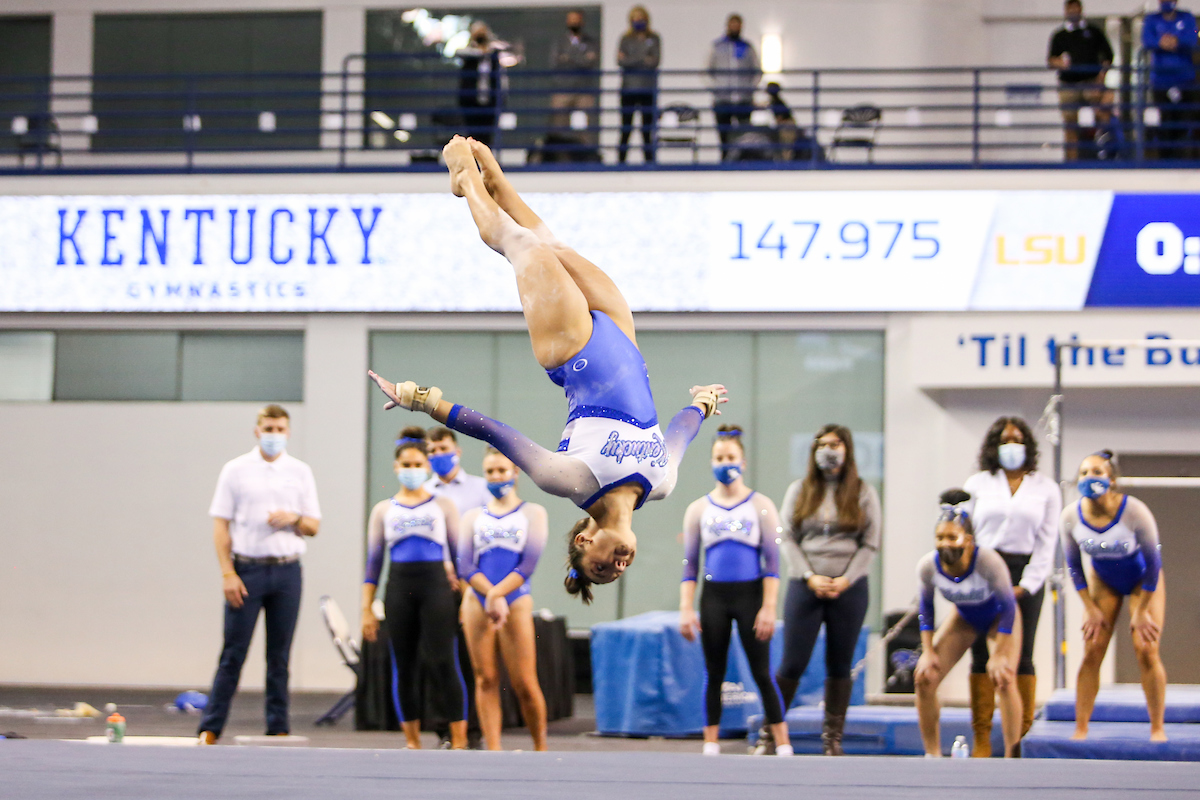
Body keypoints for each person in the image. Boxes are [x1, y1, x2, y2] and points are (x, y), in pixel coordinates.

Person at [369, 135, 725, 603]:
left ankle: (465, 179)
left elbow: (496, 432)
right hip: (622, 337)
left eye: (598, 567)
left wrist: (421, 399)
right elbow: (680, 432)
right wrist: (702, 401)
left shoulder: (571, 481)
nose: (614, 567)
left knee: (524, 248)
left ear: (584, 541)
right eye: (615, 573)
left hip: (571, 350)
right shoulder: (662, 484)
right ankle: (497, 182)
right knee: (553, 244)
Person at [198, 404, 321, 744]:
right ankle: (210, 727)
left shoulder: (300, 472)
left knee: (279, 656)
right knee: (233, 654)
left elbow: (314, 525)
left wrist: (293, 518)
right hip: (247, 569)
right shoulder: (235, 470)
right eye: (268, 429)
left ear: (289, 432)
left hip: (287, 572)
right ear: (257, 431)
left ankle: (278, 727)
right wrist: (227, 573)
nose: (274, 435)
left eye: (280, 429)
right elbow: (220, 524)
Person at [679, 425, 793, 757]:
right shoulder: (698, 509)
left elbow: (772, 565)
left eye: (730, 457)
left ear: (742, 462)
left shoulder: (761, 506)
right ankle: (710, 741)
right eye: (718, 457)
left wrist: (769, 607)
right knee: (714, 671)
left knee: (761, 671)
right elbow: (690, 567)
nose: (724, 462)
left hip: (751, 596)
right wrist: (687, 608)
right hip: (714, 596)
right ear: (711, 461)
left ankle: (783, 742)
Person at [771, 424, 880, 756]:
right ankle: (770, 732)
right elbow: (786, 537)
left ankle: (832, 740)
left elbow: (871, 543)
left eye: (835, 444)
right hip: (805, 587)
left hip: (849, 589)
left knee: (840, 663)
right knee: (792, 662)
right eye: (822, 444)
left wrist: (847, 578)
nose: (828, 450)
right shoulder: (799, 490)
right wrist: (808, 576)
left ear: (847, 449)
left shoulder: (863, 492)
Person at [361, 428, 467, 749]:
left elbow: (459, 557)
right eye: (405, 465)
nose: (411, 470)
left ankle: (459, 739)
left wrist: (464, 601)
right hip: (399, 588)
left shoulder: (443, 506)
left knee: (443, 661)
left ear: (427, 466)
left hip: (436, 586)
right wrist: (366, 607)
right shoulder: (383, 510)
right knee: (404, 664)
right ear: (396, 468)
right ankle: (412, 741)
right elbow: (373, 564)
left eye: (417, 464)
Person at [961, 416, 1061, 757]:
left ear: (1028, 446)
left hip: (1024, 573)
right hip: (984, 568)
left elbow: (1048, 543)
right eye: (1005, 440)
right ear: (994, 447)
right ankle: (982, 738)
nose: (1012, 446)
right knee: (981, 652)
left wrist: (1027, 584)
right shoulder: (977, 484)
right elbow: (966, 533)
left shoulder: (1045, 488)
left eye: (1018, 440)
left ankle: (1020, 739)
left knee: (1021, 655)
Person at [1062, 450, 1167, 742]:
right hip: (1102, 581)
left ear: (1111, 479)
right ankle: (1081, 728)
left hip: (1143, 581)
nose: (1088, 478)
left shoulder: (1134, 511)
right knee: (1093, 648)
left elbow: (1154, 563)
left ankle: (1157, 727)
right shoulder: (1070, 516)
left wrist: (1143, 609)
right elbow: (1073, 567)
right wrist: (1089, 607)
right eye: (1083, 473)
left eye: (1096, 472)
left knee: (1146, 649)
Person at [914, 489, 1023, 758]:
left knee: (1004, 677)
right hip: (964, 618)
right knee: (924, 678)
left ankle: (1012, 755)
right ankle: (932, 753)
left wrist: (999, 654)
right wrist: (928, 651)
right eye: (940, 538)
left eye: (952, 537)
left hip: (1000, 618)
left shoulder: (988, 562)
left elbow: (1008, 607)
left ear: (969, 540)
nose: (945, 544)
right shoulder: (928, 566)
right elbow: (925, 610)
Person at [458, 447, 550, 751]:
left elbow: (528, 565)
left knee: (524, 682)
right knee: (486, 678)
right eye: (490, 472)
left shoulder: (532, 513)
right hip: (478, 600)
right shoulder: (472, 517)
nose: (497, 477)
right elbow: (466, 565)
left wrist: (498, 594)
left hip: (515, 599)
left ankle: (540, 748)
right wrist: (488, 594)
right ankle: (493, 751)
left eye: (502, 470)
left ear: (515, 472)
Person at [423, 425, 491, 748]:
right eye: (432, 451)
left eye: (443, 448)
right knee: (438, 658)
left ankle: (474, 730)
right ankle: (444, 730)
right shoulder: (423, 492)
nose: (438, 455)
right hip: (436, 583)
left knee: (471, 659)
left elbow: (490, 533)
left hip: (473, 581)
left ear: (458, 450)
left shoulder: (480, 490)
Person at [1047, 0, 1114, 160]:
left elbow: (1108, 57)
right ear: (1065, 11)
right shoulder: (1059, 35)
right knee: (1070, 126)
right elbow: (1051, 60)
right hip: (1068, 86)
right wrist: (1059, 62)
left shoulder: (1093, 32)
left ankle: (1103, 154)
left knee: (1101, 117)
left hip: (1091, 83)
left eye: (1076, 9)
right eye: (1070, 9)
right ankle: (1071, 163)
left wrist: (1100, 79)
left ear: (1081, 10)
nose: (1073, 12)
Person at [1142, 0, 1199, 159]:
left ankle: (1187, 159)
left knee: (1186, 121)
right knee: (1164, 123)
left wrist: (1177, 41)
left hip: (1185, 81)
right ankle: (1165, 160)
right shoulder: (1151, 19)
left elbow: (1192, 38)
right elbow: (1147, 40)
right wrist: (1160, 42)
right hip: (1161, 81)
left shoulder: (1187, 17)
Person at [548, 10, 600, 160]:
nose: (573, 23)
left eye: (576, 20)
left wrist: (568, 58)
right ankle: (558, 158)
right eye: (571, 20)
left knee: (584, 127)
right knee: (558, 126)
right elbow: (555, 63)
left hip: (583, 90)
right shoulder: (559, 42)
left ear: (582, 22)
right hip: (562, 89)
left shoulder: (590, 42)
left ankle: (586, 158)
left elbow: (591, 62)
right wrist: (580, 59)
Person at [707, 14, 761, 159]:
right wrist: (716, 87)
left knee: (743, 135)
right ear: (727, 26)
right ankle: (725, 161)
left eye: (738, 25)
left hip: (743, 99)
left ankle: (741, 161)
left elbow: (757, 71)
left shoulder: (747, 47)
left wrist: (750, 88)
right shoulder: (717, 47)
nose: (735, 28)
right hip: (722, 100)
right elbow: (706, 71)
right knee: (724, 135)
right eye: (732, 25)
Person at [617, 6, 661, 164]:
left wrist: (631, 58)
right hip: (628, 89)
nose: (638, 20)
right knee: (626, 127)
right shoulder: (625, 39)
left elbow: (655, 61)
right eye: (635, 18)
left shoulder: (654, 38)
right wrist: (643, 58)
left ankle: (649, 162)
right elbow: (621, 61)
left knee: (647, 129)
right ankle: (621, 161)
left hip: (647, 88)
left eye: (641, 17)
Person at [458, 22, 506, 147]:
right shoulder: (469, 54)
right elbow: (460, 52)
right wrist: (480, 51)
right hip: (471, 102)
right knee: (472, 137)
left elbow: (501, 78)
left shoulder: (493, 56)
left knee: (487, 138)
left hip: (489, 102)